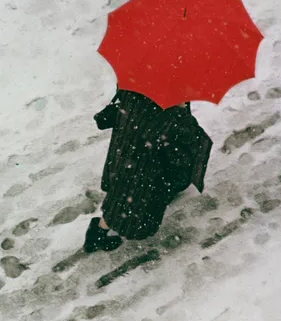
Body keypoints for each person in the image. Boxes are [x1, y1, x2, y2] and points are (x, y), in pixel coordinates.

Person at [84, 88, 213, 252]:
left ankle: (102, 227)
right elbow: (180, 143)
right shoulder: (169, 109)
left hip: (129, 143)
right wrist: (180, 112)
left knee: (124, 189)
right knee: (129, 199)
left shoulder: (139, 82)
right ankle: (98, 233)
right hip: (145, 160)